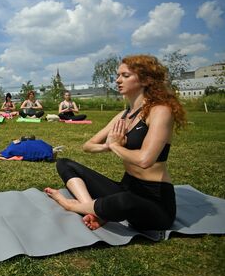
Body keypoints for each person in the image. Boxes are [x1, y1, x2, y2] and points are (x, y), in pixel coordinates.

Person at [44, 55, 186, 231]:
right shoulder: (124, 115)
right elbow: (88, 146)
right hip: (127, 187)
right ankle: (93, 209)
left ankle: (72, 206)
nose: (118, 80)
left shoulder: (160, 111)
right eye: (117, 75)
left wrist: (116, 146)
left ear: (146, 79)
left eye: (125, 76)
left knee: (124, 201)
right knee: (64, 163)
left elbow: (145, 160)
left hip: (155, 201)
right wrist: (107, 146)